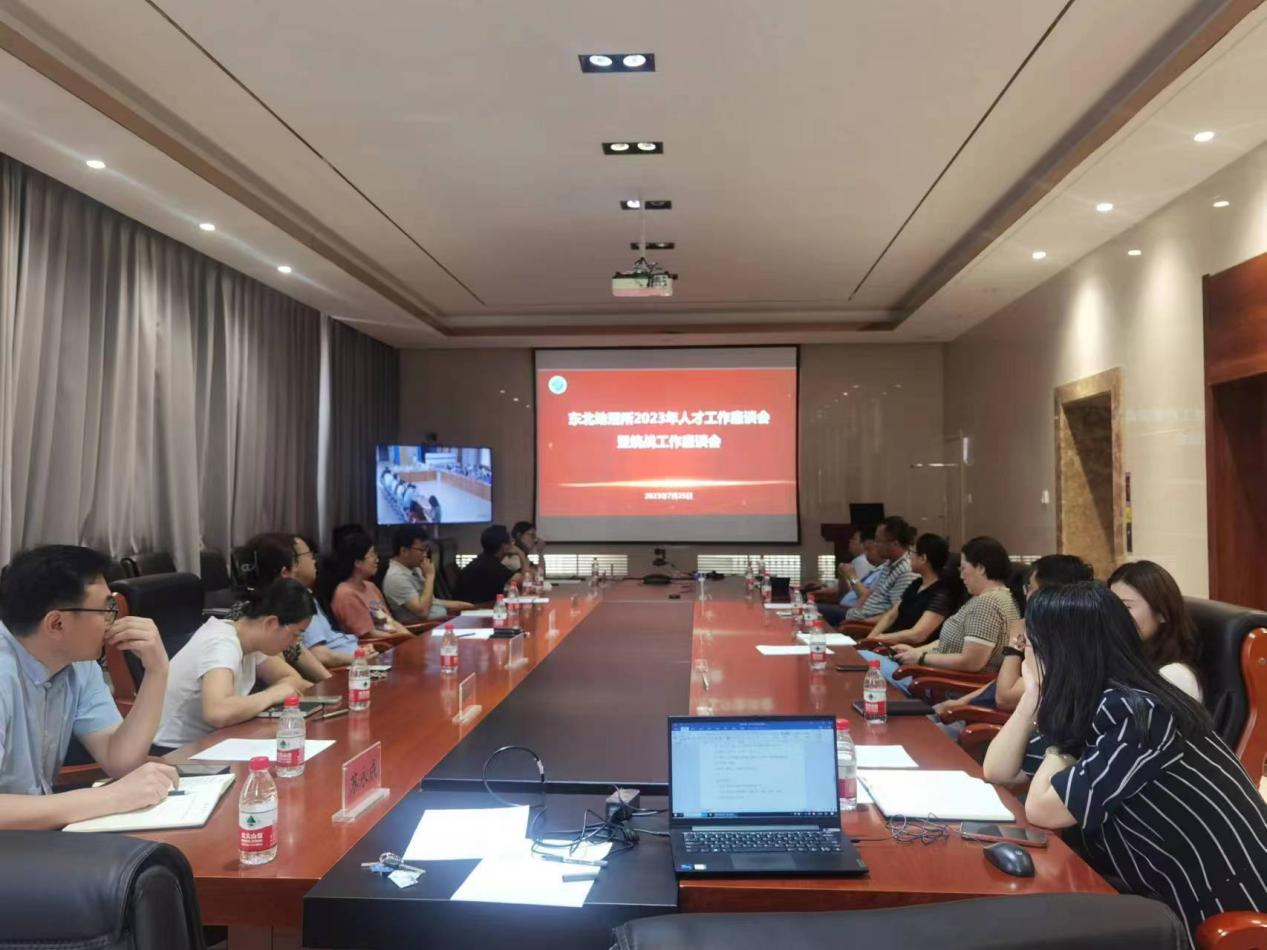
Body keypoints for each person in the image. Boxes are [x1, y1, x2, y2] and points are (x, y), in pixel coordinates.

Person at [982, 582, 1267, 940]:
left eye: (1029, 644)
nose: (1026, 655)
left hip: (1223, 917)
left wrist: (1057, 736)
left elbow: (1044, 810)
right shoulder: (1100, 702)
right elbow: (998, 770)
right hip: (1162, 900)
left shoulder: (1138, 712)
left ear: (1058, 651)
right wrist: (1032, 699)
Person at [0, 545, 180, 829]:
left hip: (35, 836)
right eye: (105, 610)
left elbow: (119, 760)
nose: (112, 621)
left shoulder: (78, 664)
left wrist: (157, 671)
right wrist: (111, 797)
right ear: (56, 624)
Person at [154, 577, 313, 751]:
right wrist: (273, 695)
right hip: (173, 751)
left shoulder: (250, 642)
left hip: (212, 742)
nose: (294, 643)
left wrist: (281, 690)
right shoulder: (222, 643)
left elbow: (291, 679)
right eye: (296, 634)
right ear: (271, 623)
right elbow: (218, 712)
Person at [934, 554, 1092, 719]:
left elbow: (1005, 698)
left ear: (1050, 594)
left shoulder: (1067, 649)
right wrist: (961, 702)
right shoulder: (1045, 633)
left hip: (988, 723)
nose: (1026, 595)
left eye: (1030, 588)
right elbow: (1002, 682)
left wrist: (1016, 642)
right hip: (973, 711)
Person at [864, 536, 1021, 691]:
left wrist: (921, 658)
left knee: (865, 658)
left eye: (964, 568)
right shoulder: (1001, 597)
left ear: (981, 568)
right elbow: (947, 643)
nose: (961, 576)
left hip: (944, 683)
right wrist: (915, 652)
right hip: (937, 674)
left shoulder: (987, 604)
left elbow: (971, 662)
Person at [245, 533, 370, 669]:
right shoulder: (287, 608)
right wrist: (360, 659)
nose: (314, 560)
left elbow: (293, 666)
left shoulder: (300, 598)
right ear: (285, 572)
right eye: (309, 555)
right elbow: (315, 655)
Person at [1108, 560, 1203, 701]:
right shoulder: (1125, 659)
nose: (1113, 615)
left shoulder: (1174, 676)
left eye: (1126, 607)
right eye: (1110, 606)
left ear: (1162, 613)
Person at [857, 533, 956, 648]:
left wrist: (881, 638)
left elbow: (918, 634)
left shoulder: (941, 593)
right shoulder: (916, 583)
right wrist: (870, 639)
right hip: (887, 642)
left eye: (912, 553)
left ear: (923, 559)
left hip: (906, 650)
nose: (909, 557)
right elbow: (891, 615)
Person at [328, 532, 414, 639]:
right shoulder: (346, 595)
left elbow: (390, 621)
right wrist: (404, 639)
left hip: (394, 640)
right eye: (372, 555)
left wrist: (410, 637)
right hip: (380, 645)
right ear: (357, 562)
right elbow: (368, 635)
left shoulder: (371, 586)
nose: (377, 559)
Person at [382, 524, 470, 624]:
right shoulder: (396, 577)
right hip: (424, 628)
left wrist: (460, 604)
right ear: (404, 551)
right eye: (421, 550)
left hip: (441, 621)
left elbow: (431, 601)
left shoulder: (414, 568)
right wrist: (429, 577)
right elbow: (422, 611)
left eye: (426, 550)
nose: (425, 555)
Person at [842, 516, 918, 623]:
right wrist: (855, 612)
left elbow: (895, 614)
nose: (875, 545)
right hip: (856, 615)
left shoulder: (906, 571)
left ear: (895, 544)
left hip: (866, 623)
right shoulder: (888, 564)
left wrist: (859, 623)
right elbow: (869, 594)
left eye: (878, 541)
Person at [455, 524, 523, 605]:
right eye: (510, 542)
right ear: (504, 546)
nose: (512, 545)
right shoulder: (492, 566)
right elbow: (522, 581)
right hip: (476, 609)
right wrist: (521, 553)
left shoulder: (484, 560)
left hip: (471, 607)